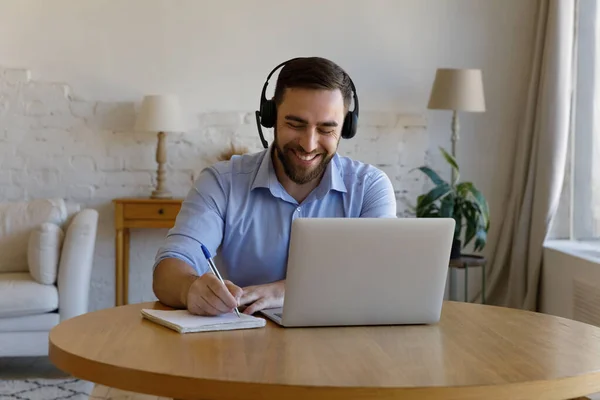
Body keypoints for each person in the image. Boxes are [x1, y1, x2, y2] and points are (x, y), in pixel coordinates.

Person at [152, 57, 397, 317]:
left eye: (326, 129)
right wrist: (190, 288)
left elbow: (379, 280)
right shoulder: (222, 182)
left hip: (339, 348)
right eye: (295, 124)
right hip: (242, 347)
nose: (309, 144)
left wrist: (285, 291)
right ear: (270, 118)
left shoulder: (370, 188)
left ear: (347, 127)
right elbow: (169, 268)